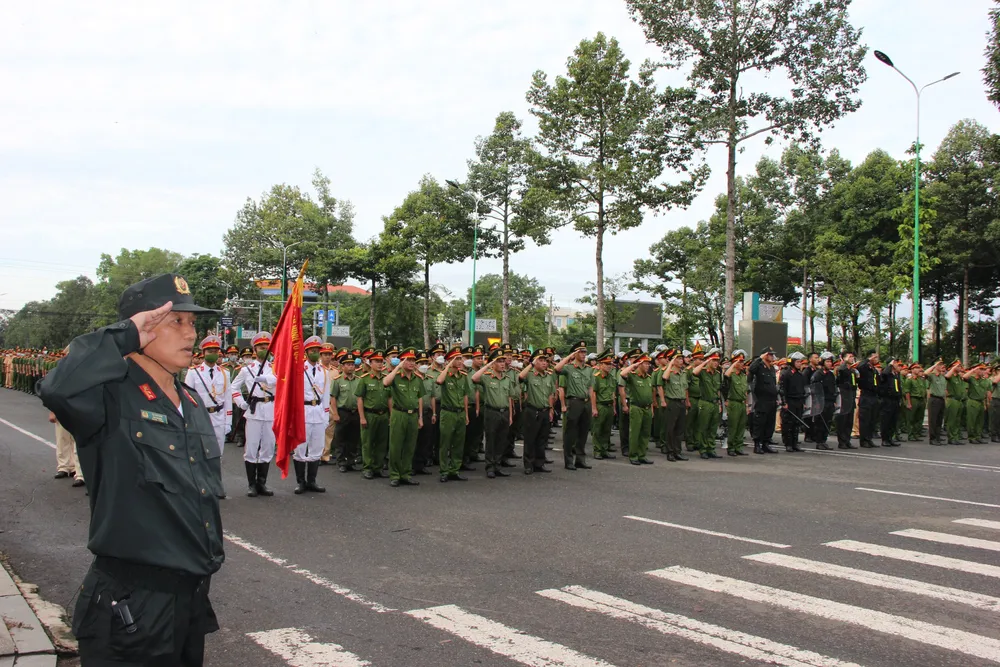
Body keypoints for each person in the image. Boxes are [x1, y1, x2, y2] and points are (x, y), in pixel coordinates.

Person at [38, 273, 223, 666]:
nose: (191, 334)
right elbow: (57, 388)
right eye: (177, 321)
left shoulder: (189, 402)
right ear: (143, 326)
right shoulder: (109, 395)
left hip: (188, 600)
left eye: (193, 322)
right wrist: (123, 335)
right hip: (132, 607)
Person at [183, 335, 232, 498]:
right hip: (200, 417)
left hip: (218, 416)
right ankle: (200, 486)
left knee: (217, 454)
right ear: (203, 353)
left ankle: (216, 486)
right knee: (200, 453)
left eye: (215, 351)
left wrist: (228, 422)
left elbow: (227, 399)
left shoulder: (225, 373)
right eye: (210, 351)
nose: (213, 353)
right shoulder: (193, 373)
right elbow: (187, 397)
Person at [232, 332, 277, 498]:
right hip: (254, 410)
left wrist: (265, 378)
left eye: (266, 347)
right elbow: (234, 388)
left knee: (268, 447)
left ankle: (262, 483)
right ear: (254, 349)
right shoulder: (246, 370)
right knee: (251, 447)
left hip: (271, 410)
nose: (264, 349)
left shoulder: (276, 368)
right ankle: (251, 484)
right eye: (260, 347)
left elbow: (280, 381)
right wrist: (240, 402)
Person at [291, 336, 330, 494]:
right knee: (300, 448)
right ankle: (301, 482)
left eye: (317, 351)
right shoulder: (299, 369)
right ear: (305, 352)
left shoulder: (324, 372)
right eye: (312, 351)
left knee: (317, 448)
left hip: (318, 412)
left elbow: (326, 396)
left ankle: (312, 481)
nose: (315, 353)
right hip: (303, 412)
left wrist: (326, 417)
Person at [383, 347, 424, 487]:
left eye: (413, 360)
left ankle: (405, 473)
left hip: (413, 415)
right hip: (399, 414)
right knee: (396, 445)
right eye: (408, 360)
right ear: (402, 361)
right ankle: (394, 474)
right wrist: (397, 368)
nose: (412, 363)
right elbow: (385, 382)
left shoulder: (417, 379)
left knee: (410, 446)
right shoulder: (395, 376)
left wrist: (420, 417)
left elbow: (419, 398)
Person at [472, 349, 516, 479]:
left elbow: (509, 397)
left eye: (503, 361)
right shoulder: (486, 377)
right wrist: (487, 365)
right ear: (493, 364)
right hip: (492, 412)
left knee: (501, 440)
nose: (502, 364)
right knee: (491, 440)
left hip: (504, 412)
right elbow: (474, 378)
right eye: (499, 361)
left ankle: (497, 466)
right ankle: (490, 467)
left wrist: (510, 415)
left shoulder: (507, 379)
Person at [555, 341, 594, 471]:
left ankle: (580, 459)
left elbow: (590, 389)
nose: (583, 354)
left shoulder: (589, 369)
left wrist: (593, 407)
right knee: (570, 432)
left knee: (583, 432)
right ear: (575, 353)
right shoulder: (569, 368)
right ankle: (568, 460)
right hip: (574, 401)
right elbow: (557, 369)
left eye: (584, 352)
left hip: (586, 402)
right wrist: (569, 356)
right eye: (581, 352)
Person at [436, 346, 471, 482]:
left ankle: (454, 469)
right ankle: (444, 470)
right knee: (445, 443)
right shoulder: (446, 375)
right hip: (448, 412)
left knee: (458, 443)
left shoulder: (463, 376)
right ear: (450, 360)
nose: (460, 361)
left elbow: (465, 396)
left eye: (460, 358)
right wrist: (448, 366)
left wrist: (466, 414)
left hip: (460, 413)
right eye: (456, 359)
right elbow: (439, 381)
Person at [357, 349, 392, 479]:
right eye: (376, 361)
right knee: (368, 442)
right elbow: (360, 398)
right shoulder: (364, 379)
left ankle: (378, 467)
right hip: (369, 414)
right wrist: (362, 417)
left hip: (383, 415)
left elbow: (389, 398)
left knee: (381, 443)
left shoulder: (385, 378)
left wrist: (391, 415)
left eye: (381, 361)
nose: (379, 364)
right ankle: (368, 467)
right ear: (370, 363)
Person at [520, 348, 556, 473]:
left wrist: (551, 409)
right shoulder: (530, 375)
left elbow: (550, 394)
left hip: (545, 410)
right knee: (530, 438)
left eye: (545, 360)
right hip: (532, 410)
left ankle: (539, 463)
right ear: (535, 362)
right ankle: (529, 464)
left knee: (542, 439)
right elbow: (520, 376)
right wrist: (531, 364)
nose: (544, 363)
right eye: (540, 360)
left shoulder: (548, 376)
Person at [619, 352, 655, 465]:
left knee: (645, 433)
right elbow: (623, 373)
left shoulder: (649, 378)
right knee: (635, 432)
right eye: (645, 363)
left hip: (647, 408)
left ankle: (642, 454)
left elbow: (650, 394)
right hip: (636, 407)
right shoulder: (633, 376)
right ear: (639, 364)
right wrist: (634, 365)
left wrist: (652, 408)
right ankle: (633, 455)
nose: (648, 366)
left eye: (649, 364)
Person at [330, 351, 362, 473]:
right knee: (341, 438)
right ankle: (341, 462)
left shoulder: (359, 380)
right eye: (347, 364)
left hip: (355, 412)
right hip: (343, 411)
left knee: (353, 439)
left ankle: (351, 461)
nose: (350, 367)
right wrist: (335, 413)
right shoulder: (337, 380)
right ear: (342, 366)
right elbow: (333, 397)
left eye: (352, 364)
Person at [692, 348, 723, 458]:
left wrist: (719, 403)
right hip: (705, 402)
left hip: (715, 403)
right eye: (713, 360)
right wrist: (705, 362)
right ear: (709, 361)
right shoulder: (703, 372)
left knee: (713, 427)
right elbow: (694, 372)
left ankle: (711, 448)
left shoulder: (718, 373)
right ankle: (703, 449)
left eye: (717, 361)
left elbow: (718, 389)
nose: (716, 363)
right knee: (703, 427)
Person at [748, 347, 779, 454]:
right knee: (759, 423)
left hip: (771, 400)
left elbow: (773, 384)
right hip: (762, 400)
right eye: (770, 354)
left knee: (769, 423)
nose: (772, 356)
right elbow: (751, 369)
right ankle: (757, 445)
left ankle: (766, 444)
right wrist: (759, 358)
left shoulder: (771, 368)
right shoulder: (759, 366)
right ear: (765, 355)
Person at [661, 350, 690, 462]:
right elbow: (664, 377)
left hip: (682, 403)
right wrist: (670, 364)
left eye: (681, 358)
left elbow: (685, 389)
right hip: (672, 402)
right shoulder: (669, 372)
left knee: (680, 429)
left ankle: (678, 451)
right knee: (670, 429)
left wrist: (687, 403)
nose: (681, 360)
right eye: (678, 358)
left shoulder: (683, 373)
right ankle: (670, 452)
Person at [589, 350, 617, 461]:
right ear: (600, 365)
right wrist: (594, 408)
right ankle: (597, 451)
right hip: (600, 405)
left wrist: (614, 407)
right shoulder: (596, 377)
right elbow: (593, 393)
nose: (609, 366)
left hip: (609, 405)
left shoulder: (611, 378)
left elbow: (613, 393)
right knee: (598, 430)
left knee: (607, 430)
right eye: (606, 364)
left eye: (610, 364)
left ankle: (605, 450)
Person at [414, 350, 437, 476]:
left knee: (426, 440)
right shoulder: (413, 378)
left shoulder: (430, 379)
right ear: (416, 365)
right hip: (415, 412)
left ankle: (421, 465)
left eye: (425, 362)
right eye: (421, 363)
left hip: (428, 412)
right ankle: (411, 465)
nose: (423, 365)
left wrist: (434, 413)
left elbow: (432, 396)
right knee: (414, 440)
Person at [810, 352, 837, 449]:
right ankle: (819, 441)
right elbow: (813, 388)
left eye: (831, 362)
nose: (830, 363)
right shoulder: (818, 374)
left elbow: (833, 388)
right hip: (820, 401)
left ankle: (824, 440)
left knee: (827, 421)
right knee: (820, 422)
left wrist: (834, 400)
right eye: (828, 361)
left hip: (829, 401)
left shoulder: (830, 374)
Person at [724, 350, 749, 456]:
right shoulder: (731, 374)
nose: (742, 363)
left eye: (743, 361)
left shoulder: (743, 376)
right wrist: (733, 363)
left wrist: (747, 405)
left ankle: (738, 446)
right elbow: (726, 375)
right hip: (733, 403)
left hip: (742, 403)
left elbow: (745, 391)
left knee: (741, 426)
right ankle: (731, 448)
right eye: (740, 361)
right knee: (733, 427)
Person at [856, 350, 881, 448]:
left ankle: (869, 438)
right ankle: (864, 440)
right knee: (865, 420)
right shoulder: (864, 366)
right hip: (866, 395)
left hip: (873, 395)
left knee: (872, 419)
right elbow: (859, 367)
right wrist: (868, 359)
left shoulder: (873, 369)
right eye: (875, 357)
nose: (876, 360)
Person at [965, 364, 991, 444]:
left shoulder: (986, 380)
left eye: (984, 370)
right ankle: (971, 437)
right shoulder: (972, 379)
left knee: (980, 421)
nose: (982, 371)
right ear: (976, 370)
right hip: (973, 401)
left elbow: (988, 392)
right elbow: (965, 377)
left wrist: (987, 403)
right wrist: (974, 369)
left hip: (981, 402)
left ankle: (978, 436)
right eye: (981, 369)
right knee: (972, 421)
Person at [925, 360, 947, 445]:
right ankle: (932, 438)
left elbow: (944, 390)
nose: (941, 366)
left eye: (942, 364)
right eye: (939, 365)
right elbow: (925, 373)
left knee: (939, 420)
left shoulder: (942, 377)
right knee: (933, 420)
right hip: (934, 399)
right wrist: (934, 366)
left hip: (941, 399)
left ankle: (938, 437)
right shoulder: (932, 376)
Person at [944, 360, 967, 445]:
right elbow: (946, 376)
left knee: (957, 420)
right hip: (952, 400)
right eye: (958, 366)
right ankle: (951, 437)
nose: (960, 368)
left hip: (959, 401)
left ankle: (956, 436)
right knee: (952, 420)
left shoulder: (959, 377)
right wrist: (953, 368)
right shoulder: (951, 377)